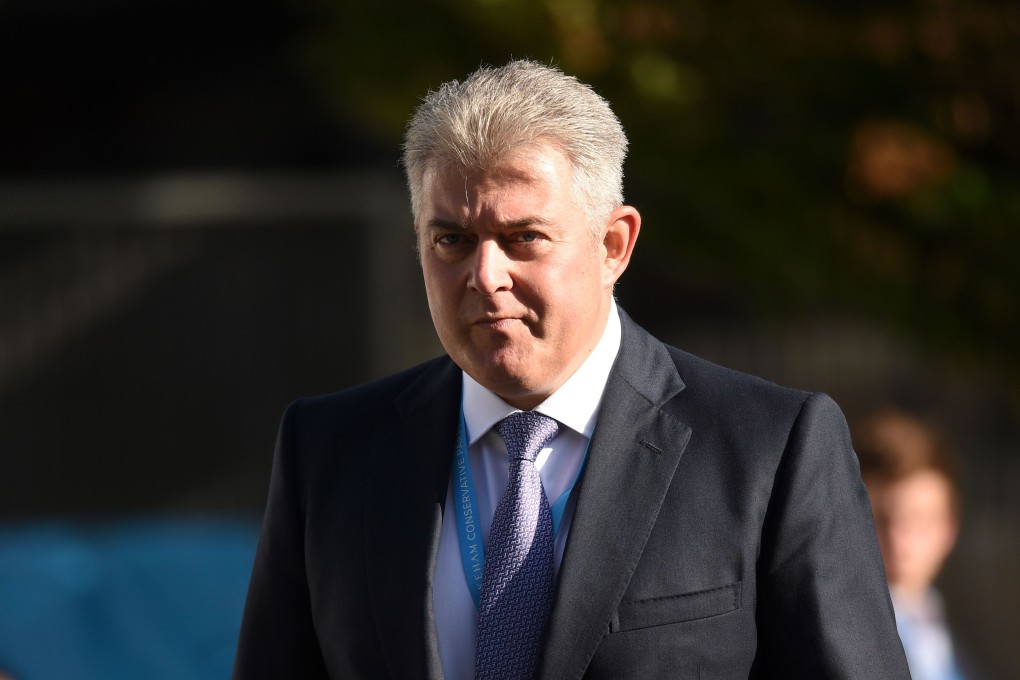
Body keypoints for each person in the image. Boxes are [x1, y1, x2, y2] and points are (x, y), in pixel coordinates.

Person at [233, 60, 909, 679]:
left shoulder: (766, 448)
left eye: (523, 238)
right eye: (452, 240)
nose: (485, 275)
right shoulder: (329, 452)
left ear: (613, 244)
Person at [856, 409, 972, 680]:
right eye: (880, 520)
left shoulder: (936, 626)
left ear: (949, 529)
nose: (899, 540)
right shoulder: (838, 634)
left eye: (919, 521)